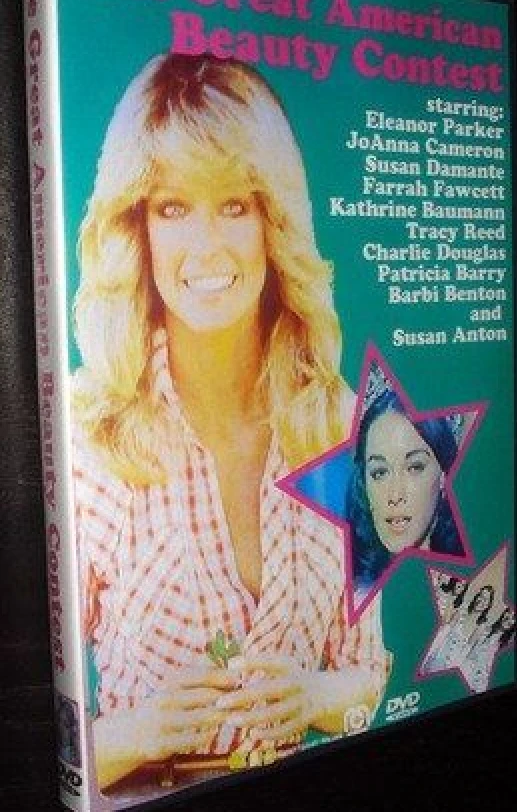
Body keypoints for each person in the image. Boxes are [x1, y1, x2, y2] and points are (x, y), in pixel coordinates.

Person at [71, 53, 389, 790]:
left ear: (273, 223)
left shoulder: (341, 424)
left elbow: (367, 679)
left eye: (235, 206)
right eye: (173, 208)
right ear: (138, 229)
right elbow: (54, 748)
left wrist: (313, 696)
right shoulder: (92, 437)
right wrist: (142, 731)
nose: (206, 245)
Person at [345, 388, 464, 590]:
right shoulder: (348, 597)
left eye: (414, 468)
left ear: (444, 477)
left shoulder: (474, 590)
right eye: (380, 472)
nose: (395, 495)